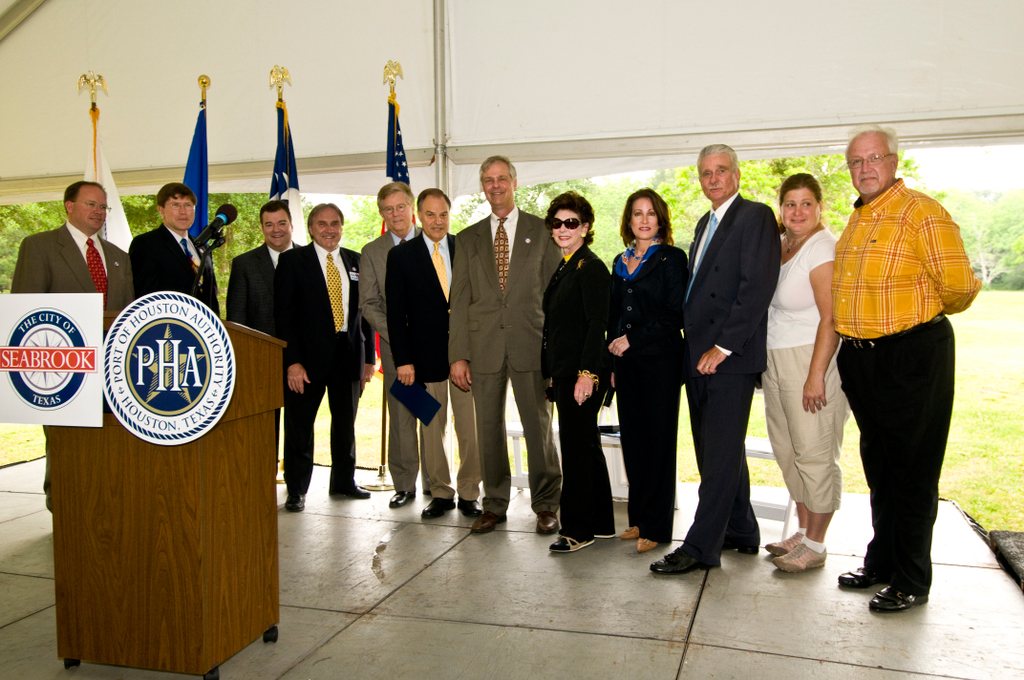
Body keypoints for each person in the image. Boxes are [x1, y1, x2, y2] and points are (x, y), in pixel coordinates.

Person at [833, 125, 980, 611]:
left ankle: (912, 580)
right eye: (856, 161)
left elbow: (959, 287)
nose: (865, 168)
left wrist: (916, 318)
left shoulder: (922, 212)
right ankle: (882, 560)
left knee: (913, 470)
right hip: (863, 360)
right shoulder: (858, 219)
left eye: (874, 158)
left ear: (894, 161)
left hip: (912, 357)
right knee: (880, 466)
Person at [651, 144, 780, 575]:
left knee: (720, 452)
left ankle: (700, 546)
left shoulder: (756, 216)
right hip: (697, 352)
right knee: (714, 451)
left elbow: (756, 288)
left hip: (728, 355)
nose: (713, 179)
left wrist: (722, 347)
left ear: (737, 174)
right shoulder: (706, 222)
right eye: (706, 172)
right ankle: (741, 530)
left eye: (721, 170)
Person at [449, 155, 563, 535]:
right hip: (483, 350)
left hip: (530, 345)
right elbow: (459, 300)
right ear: (482, 186)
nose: (494, 185)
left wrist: (555, 352)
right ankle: (494, 504)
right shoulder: (467, 239)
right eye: (487, 180)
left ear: (514, 182)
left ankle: (547, 504)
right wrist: (459, 355)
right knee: (487, 430)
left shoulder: (542, 231)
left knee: (539, 429)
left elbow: (554, 294)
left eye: (501, 178)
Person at [11, 180, 135, 511]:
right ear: (69, 206)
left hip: (111, 370)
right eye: (91, 204)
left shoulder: (119, 256)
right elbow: (25, 313)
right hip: (62, 371)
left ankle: (106, 504)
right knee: (66, 445)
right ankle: (62, 507)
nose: (98, 212)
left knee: (107, 445)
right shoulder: (39, 247)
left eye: (103, 207)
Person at [761, 174, 849, 572]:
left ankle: (816, 543)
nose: (797, 211)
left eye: (806, 203)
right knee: (788, 451)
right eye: (790, 204)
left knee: (814, 452)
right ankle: (802, 532)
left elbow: (830, 318)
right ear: (781, 208)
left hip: (811, 360)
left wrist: (816, 375)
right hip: (777, 360)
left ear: (819, 207)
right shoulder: (781, 246)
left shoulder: (822, 247)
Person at [386, 188, 482, 519]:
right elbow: (396, 316)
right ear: (418, 215)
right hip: (424, 361)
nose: (437, 221)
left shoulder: (465, 249)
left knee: (470, 429)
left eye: (443, 215)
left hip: (465, 357)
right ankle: (441, 493)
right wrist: (403, 361)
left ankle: (470, 492)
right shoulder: (401, 257)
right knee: (432, 429)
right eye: (430, 215)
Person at [274, 203, 376, 511]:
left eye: (334, 223)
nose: (329, 229)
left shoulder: (355, 261)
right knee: (300, 426)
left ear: (342, 227)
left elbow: (366, 313)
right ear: (310, 228)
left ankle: (344, 482)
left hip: (349, 355)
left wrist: (369, 358)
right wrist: (292, 361)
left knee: (346, 425)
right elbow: (284, 316)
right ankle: (297, 489)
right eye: (322, 224)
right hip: (305, 361)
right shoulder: (292, 261)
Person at [606, 188, 686, 554]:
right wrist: (612, 362)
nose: (643, 219)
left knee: (658, 444)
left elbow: (675, 316)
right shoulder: (618, 261)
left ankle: (656, 527)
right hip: (627, 366)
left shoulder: (672, 258)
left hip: (660, 364)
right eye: (637, 213)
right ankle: (637, 519)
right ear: (628, 220)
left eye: (650, 213)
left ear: (660, 219)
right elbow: (614, 318)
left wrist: (632, 340)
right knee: (633, 442)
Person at [541, 191, 614, 552]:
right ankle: (601, 523)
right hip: (566, 372)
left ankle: (578, 529)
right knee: (586, 444)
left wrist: (587, 374)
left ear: (585, 227)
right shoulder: (568, 263)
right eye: (557, 223)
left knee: (575, 450)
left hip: (583, 375)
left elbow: (596, 324)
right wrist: (553, 374)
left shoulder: (592, 267)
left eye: (571, 223)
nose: (563, 229)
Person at [359, 182, 426, 509]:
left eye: (401, 207)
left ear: (411, 207)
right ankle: (404, 485)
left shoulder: (435, 241)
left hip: (435, 347)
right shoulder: (373, 252)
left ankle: (436, 482)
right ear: (382, 213)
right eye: (388, 209)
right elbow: (369, 304)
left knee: (432, 414)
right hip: (396, 349)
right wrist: (399, 333)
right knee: (402, 417)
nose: (395, 214)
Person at [226, 199, 296, 452]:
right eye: (269, 224)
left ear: (291, 224)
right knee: (264, 428)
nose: (275, 229)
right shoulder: (244, 264)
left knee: (300, 427)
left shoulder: (308, 259)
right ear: (262, 228)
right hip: (260, 360)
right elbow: (236, 317)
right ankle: (264, 479)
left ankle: (297, 486)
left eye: (281, 223)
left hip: (301, 359)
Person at [129, 183, 218, 313]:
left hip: (203, 328)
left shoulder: (203, 247)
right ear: (161, 210)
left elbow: (211, 297)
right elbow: (143, 297)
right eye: (175, 205)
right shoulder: (145, 244)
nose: (183, 211)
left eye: (188, 205)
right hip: (168, 328)